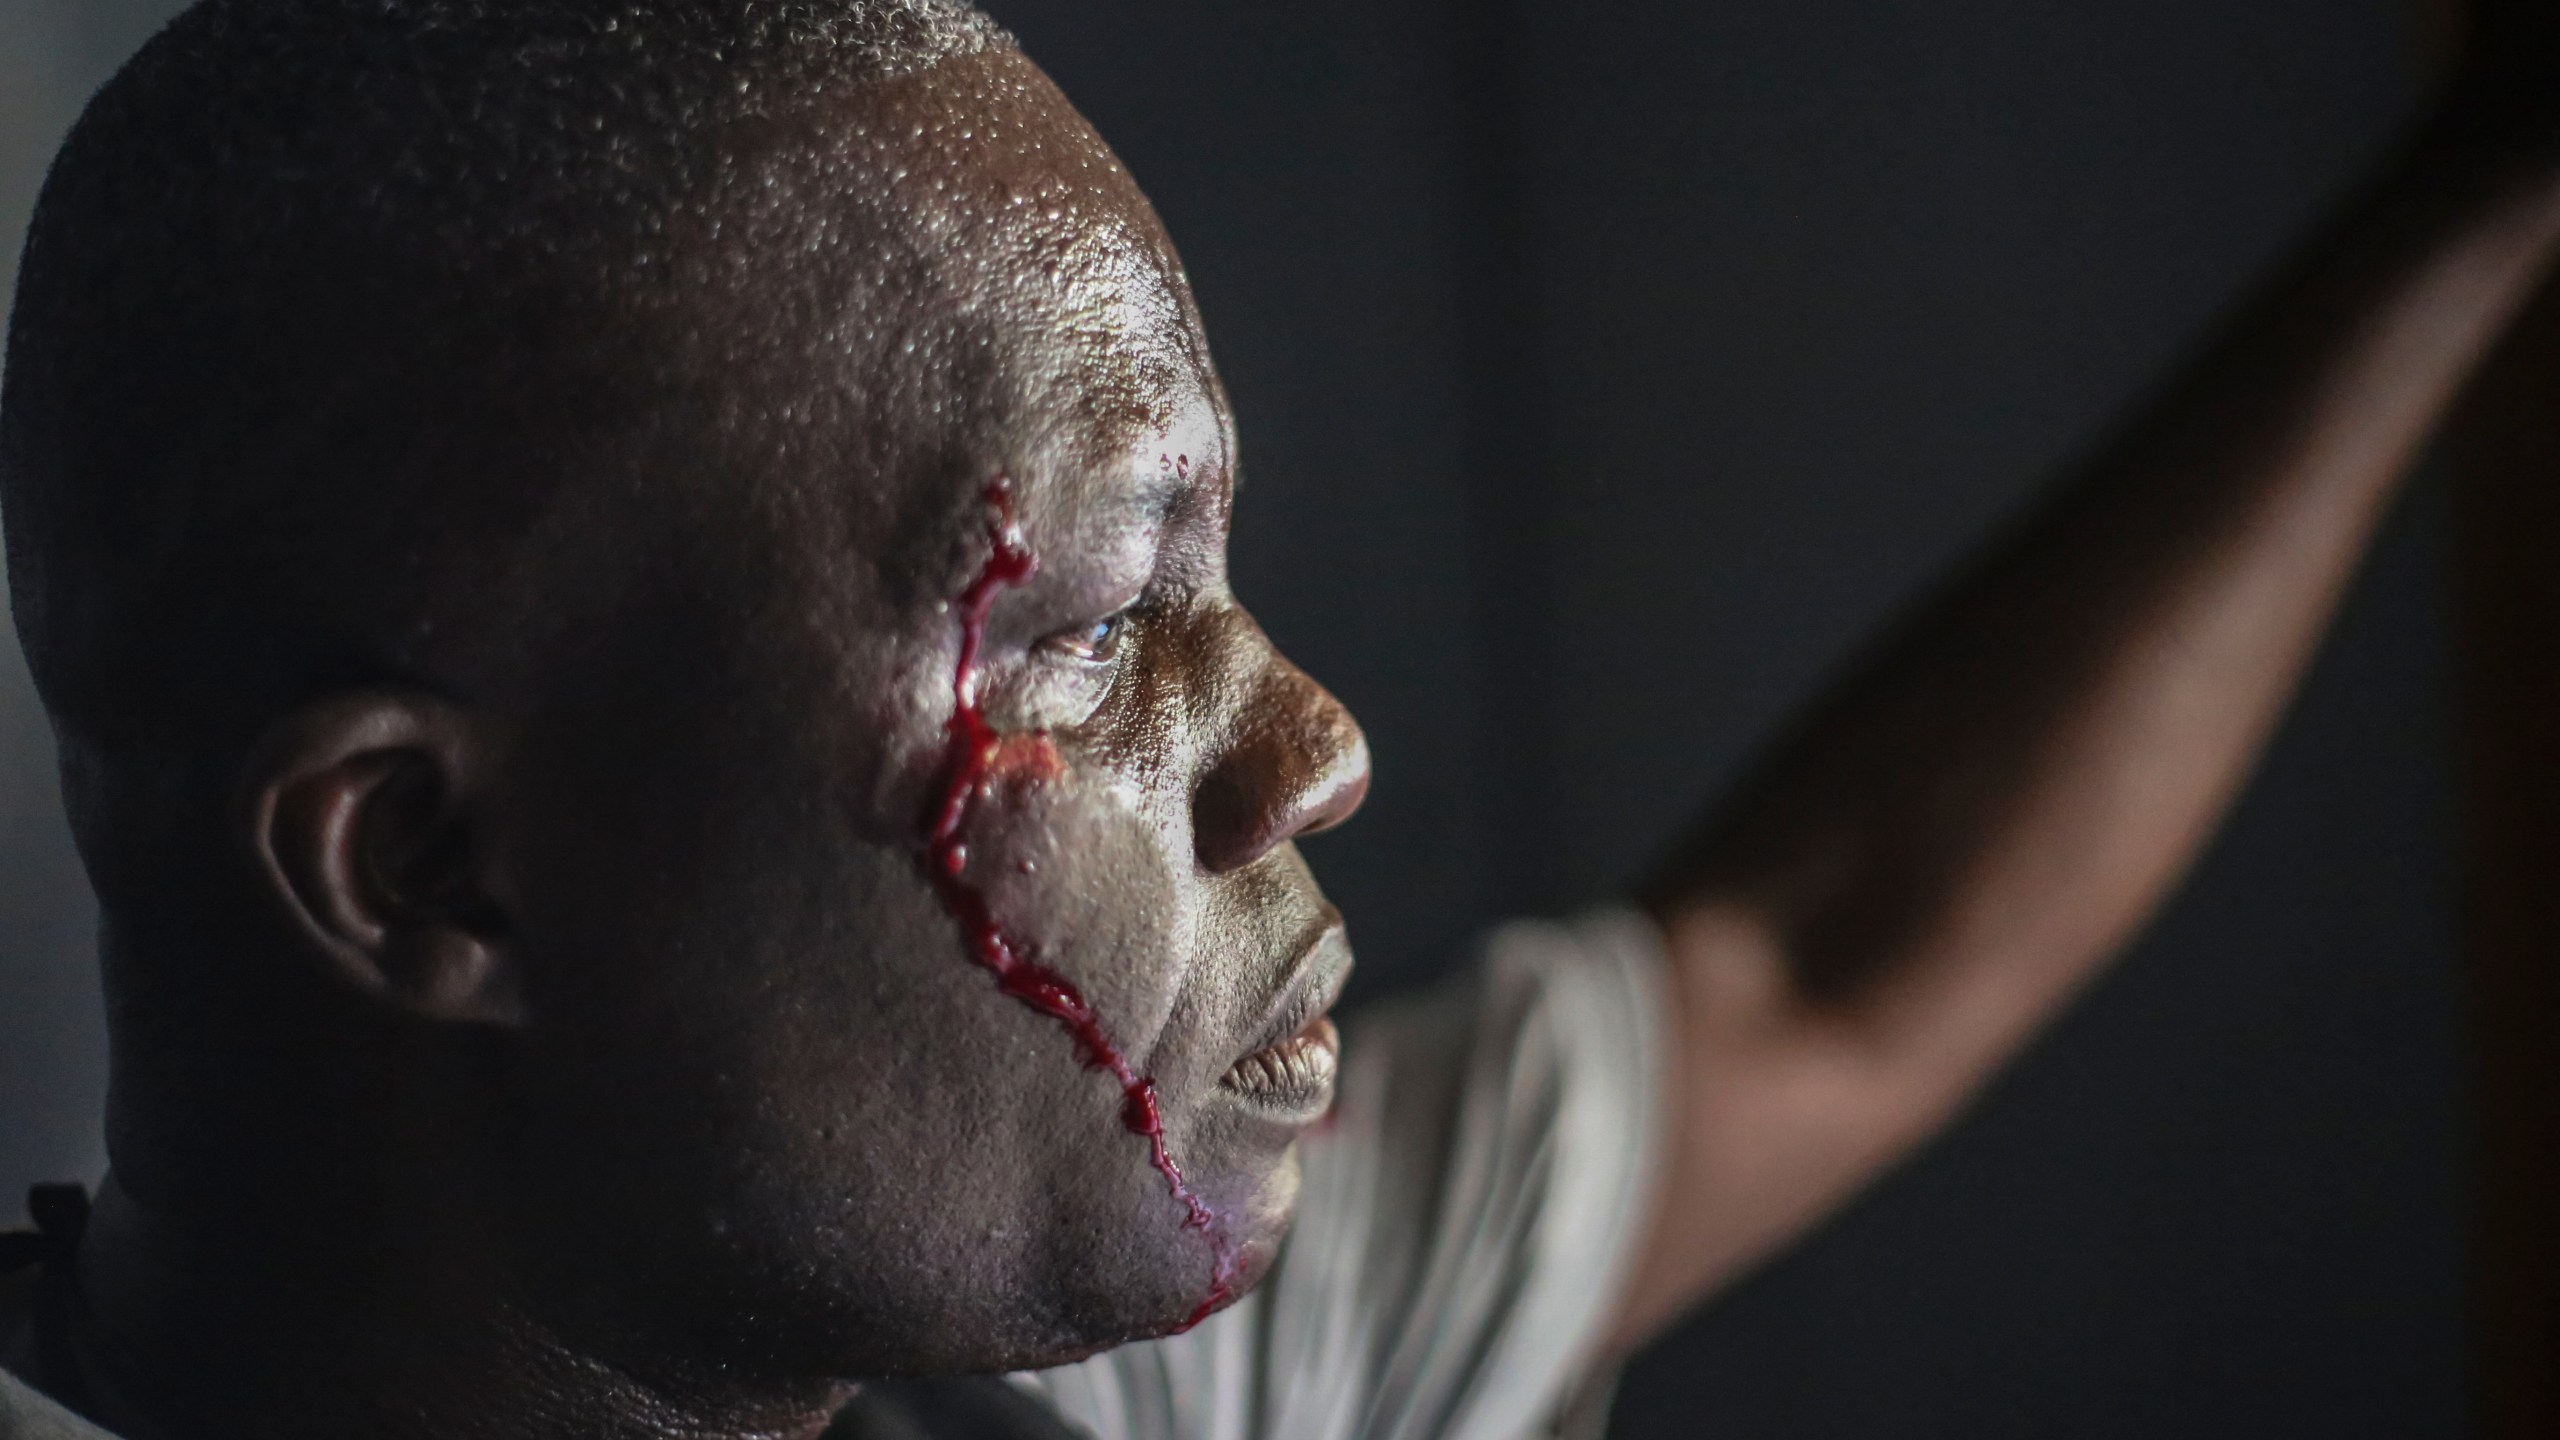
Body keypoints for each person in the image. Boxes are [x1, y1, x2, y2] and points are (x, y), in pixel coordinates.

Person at [1, 1, 2556, 1437]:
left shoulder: (1109, 1399)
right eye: (1098, 628)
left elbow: (1835, 962)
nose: (1308, 744)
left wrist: (2492, 183)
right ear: (424, 869)